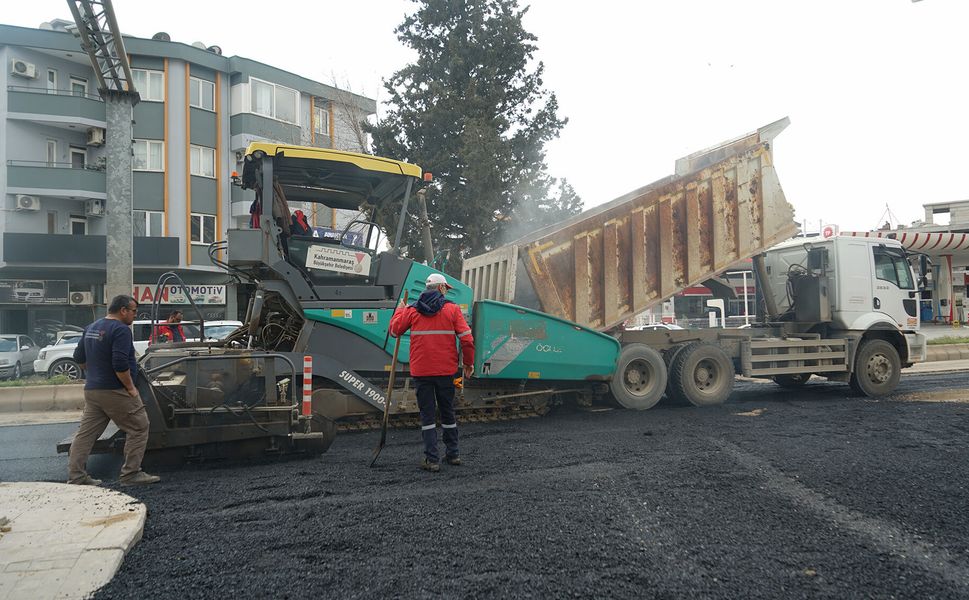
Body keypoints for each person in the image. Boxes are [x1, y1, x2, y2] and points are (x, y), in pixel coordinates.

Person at [67, 295, 160, 486]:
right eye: (133, 311)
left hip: (93, 390)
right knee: (139, 427)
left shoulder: (92, 327)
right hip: (115, 391)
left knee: (85, 434)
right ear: (123, 310)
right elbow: (119, 363)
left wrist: (96, 372)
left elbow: (79, 358)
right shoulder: (121, 330)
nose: (135, 315)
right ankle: (130, 474)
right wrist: (130, 387)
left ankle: (76, 477)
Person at [389, 273, 475, 472]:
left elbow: (394, 331)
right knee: (447, 411)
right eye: (446, 288)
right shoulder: (452, 310)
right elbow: (467, 340)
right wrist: (468, 363)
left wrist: (399, 311)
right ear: (441, 288)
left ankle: (432, 459)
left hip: (422, 372)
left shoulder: (412, 310)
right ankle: (453, 454)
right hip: (446, 371)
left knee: (427, 414)